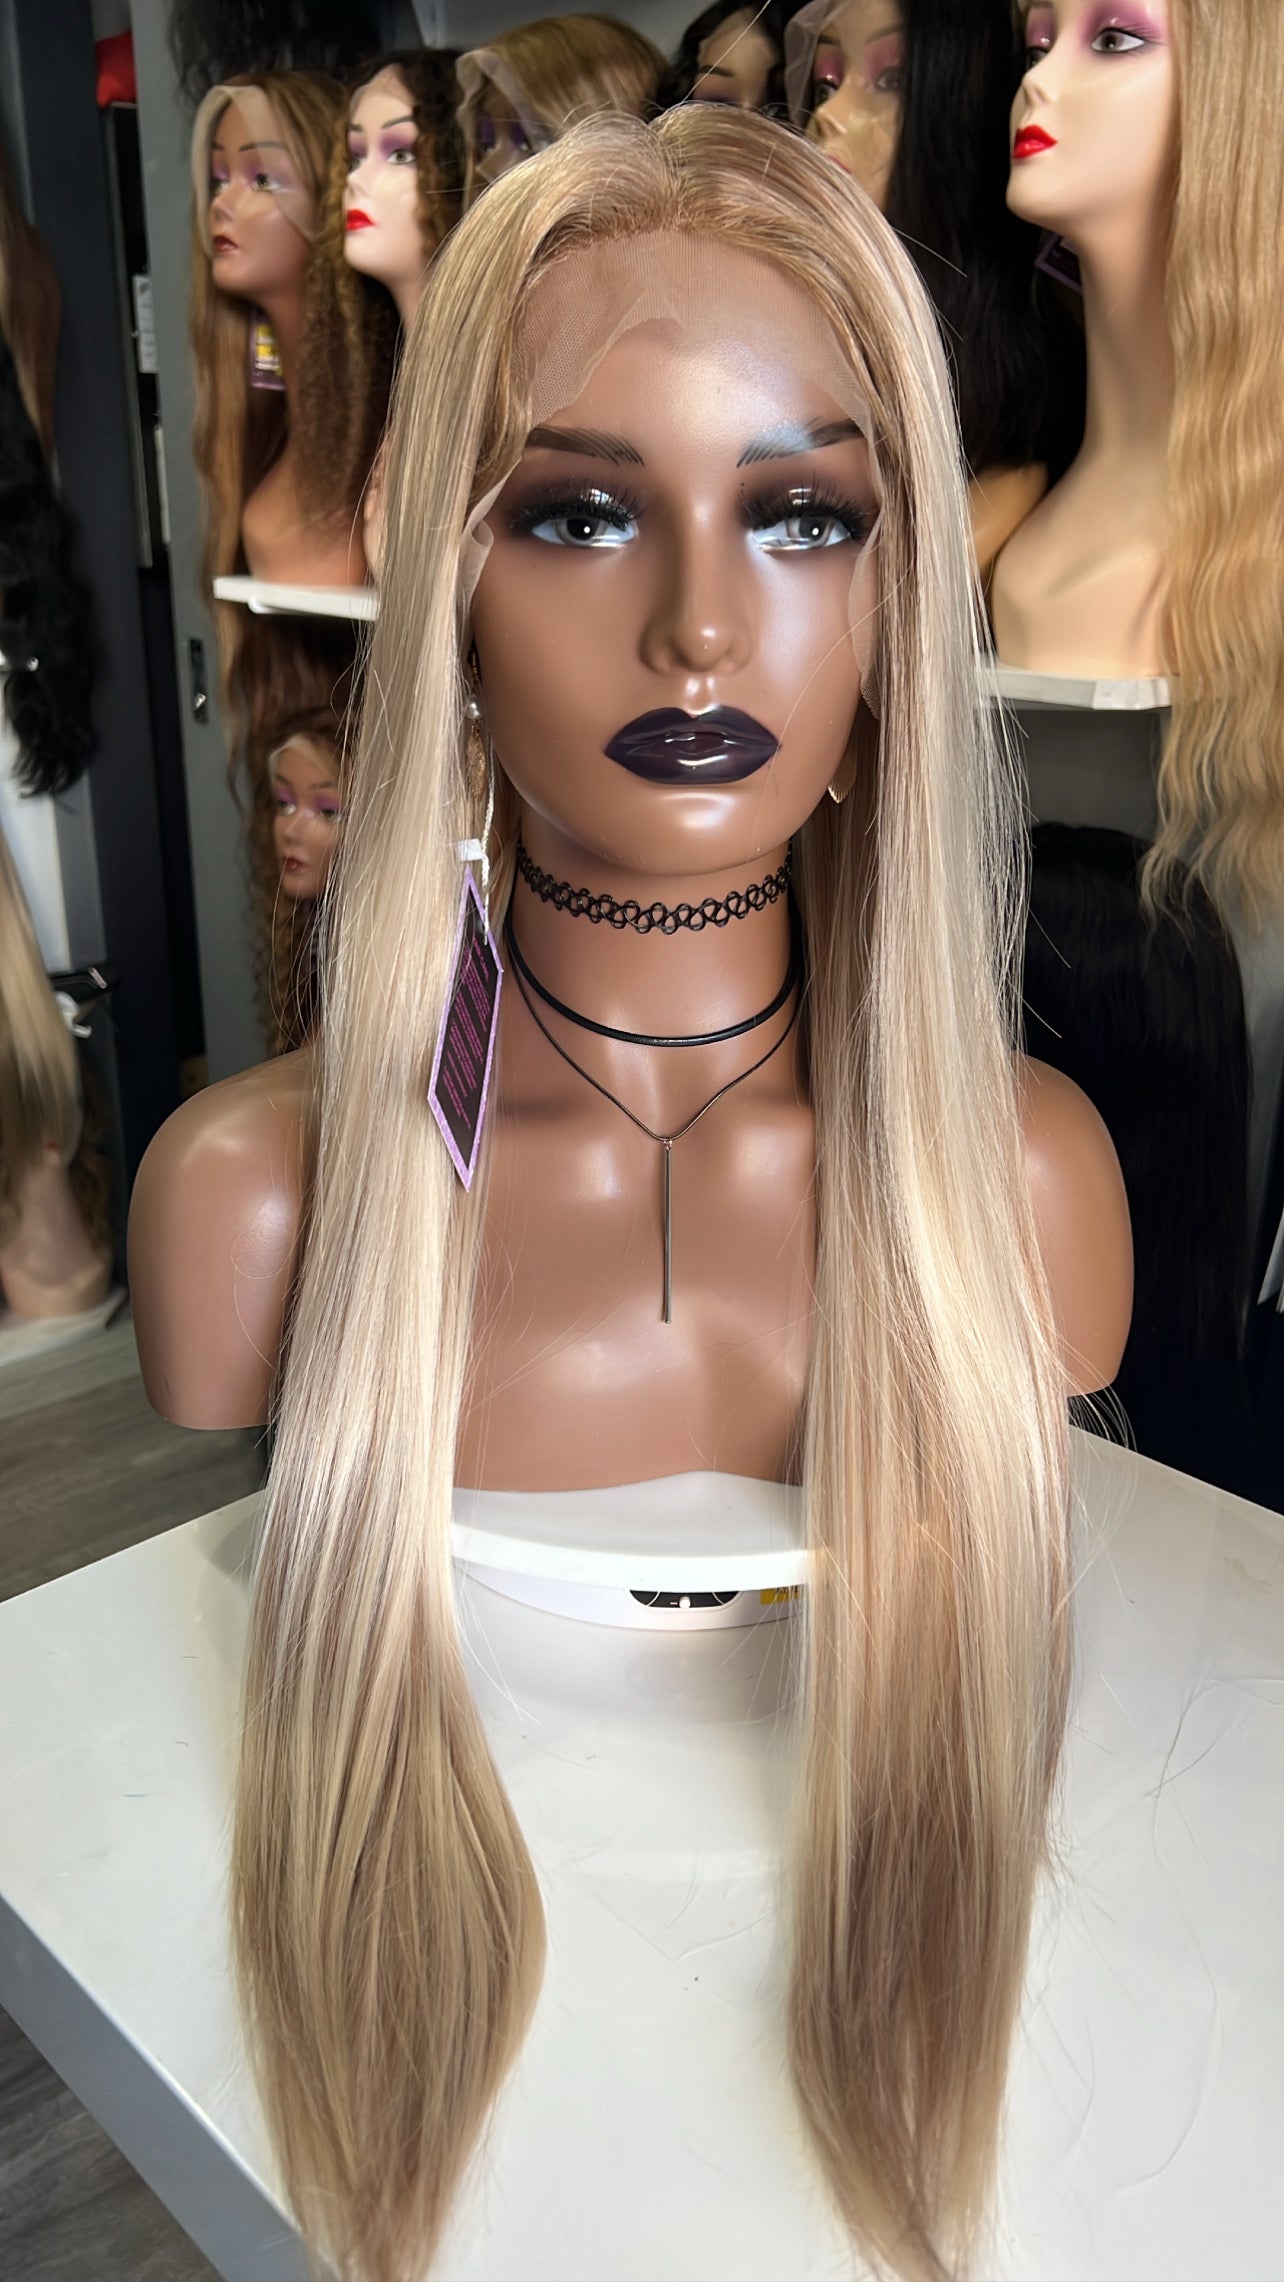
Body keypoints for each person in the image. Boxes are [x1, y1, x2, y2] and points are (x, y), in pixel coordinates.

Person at [130, 107, 1130, 2282]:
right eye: (581, 513)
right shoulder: (260, 1205)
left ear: (895, 589)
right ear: (450, 588)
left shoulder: (1024, 1187)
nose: (700, 628)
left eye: (802, 515)